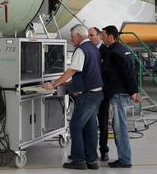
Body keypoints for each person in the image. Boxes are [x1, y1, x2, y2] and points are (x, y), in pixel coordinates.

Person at [43, 24, 104, 170]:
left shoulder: (81, 50)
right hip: (97, 93)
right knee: (90, 127)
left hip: (88, 95)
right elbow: (83, 73)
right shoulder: (94, 49)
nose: (71, 40)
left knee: (75, 125)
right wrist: (67, 84)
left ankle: (78, 160)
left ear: (78, 35)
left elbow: (71, 71)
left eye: (72, 37)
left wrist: (54, 84)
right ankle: (92, 160)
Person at [101, 25, 141, 168]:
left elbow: (127, 73)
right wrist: (134, 91)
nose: (101, 37)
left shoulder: (114, 53)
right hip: (122, 92)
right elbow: (132, 70)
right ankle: (124, 157)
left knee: (120, 128)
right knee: (118, 126)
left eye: (103, 35)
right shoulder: (123, 50)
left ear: (110, 36)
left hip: (118, 94)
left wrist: (133, 92)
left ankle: (124, 159)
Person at [88, 27, 109, 162]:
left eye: (92, 35)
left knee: (103, 122)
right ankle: (90, 151)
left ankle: (103, 150)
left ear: (99, 36)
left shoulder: (106, 51)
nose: (89, 38)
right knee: (89, 122)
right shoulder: (89, 49)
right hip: (90, 92)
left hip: (103, 92)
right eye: (88, 36)